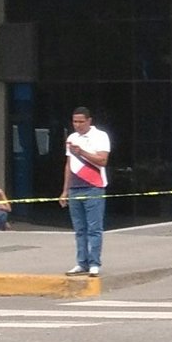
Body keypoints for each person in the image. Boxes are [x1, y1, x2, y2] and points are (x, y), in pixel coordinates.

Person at [59, 107, 111, 277]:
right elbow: (69, 165)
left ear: (89, 121)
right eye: (75, 122)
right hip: (75, 187)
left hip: (94, 186)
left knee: (94, 228)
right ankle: (82, 262)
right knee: (79, 229)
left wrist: (81, 151)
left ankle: (95, 263)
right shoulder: (71, 138)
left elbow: (102, 160)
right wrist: (65, 190)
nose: (78, 125)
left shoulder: (100, 136)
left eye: (81, 121)